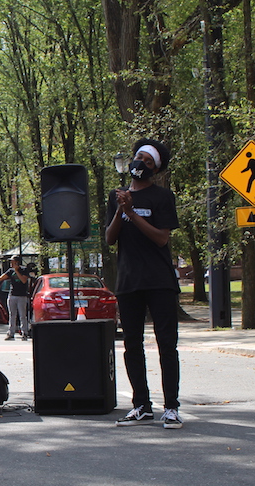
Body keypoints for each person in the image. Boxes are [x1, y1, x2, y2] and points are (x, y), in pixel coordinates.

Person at [105, 138, 182, 429]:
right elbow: (111, 239)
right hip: (129, 281)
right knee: (132, 345)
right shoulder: (118, 197)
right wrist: (120, 210)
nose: (141, 164)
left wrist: (133, 213)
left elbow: (162, 238)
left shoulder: (163, 197)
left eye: (148, 162)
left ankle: (171, 407)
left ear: (155, 170)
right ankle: (141, 405)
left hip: (159, 280)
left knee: (166, 346)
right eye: (139, 158)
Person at [0, 255, 30, 341]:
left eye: (12, 262)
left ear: (17, 262)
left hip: (22, 295)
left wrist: (17, 271)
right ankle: (11, 333)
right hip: (12, 294)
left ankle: (24, 333)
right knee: (12, 315)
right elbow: (1, 278)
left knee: (22, 315)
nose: (11, 263)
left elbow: (24, 280)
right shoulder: (10, 271)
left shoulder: (24, 270)